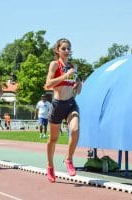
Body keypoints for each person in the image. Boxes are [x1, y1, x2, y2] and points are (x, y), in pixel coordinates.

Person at [44, 38, 82, 183]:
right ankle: (50, 166)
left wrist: (78, 85)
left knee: (75, 129)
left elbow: (76, 85)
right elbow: (47, 85)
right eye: (64, 49)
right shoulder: (55, 64)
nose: (67, 51)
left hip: (71, 104)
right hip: (57, 105)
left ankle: (68, 159)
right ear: (57, 50)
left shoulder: (73, 66)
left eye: (68, 48)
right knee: (53, 139)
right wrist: (65, 76)